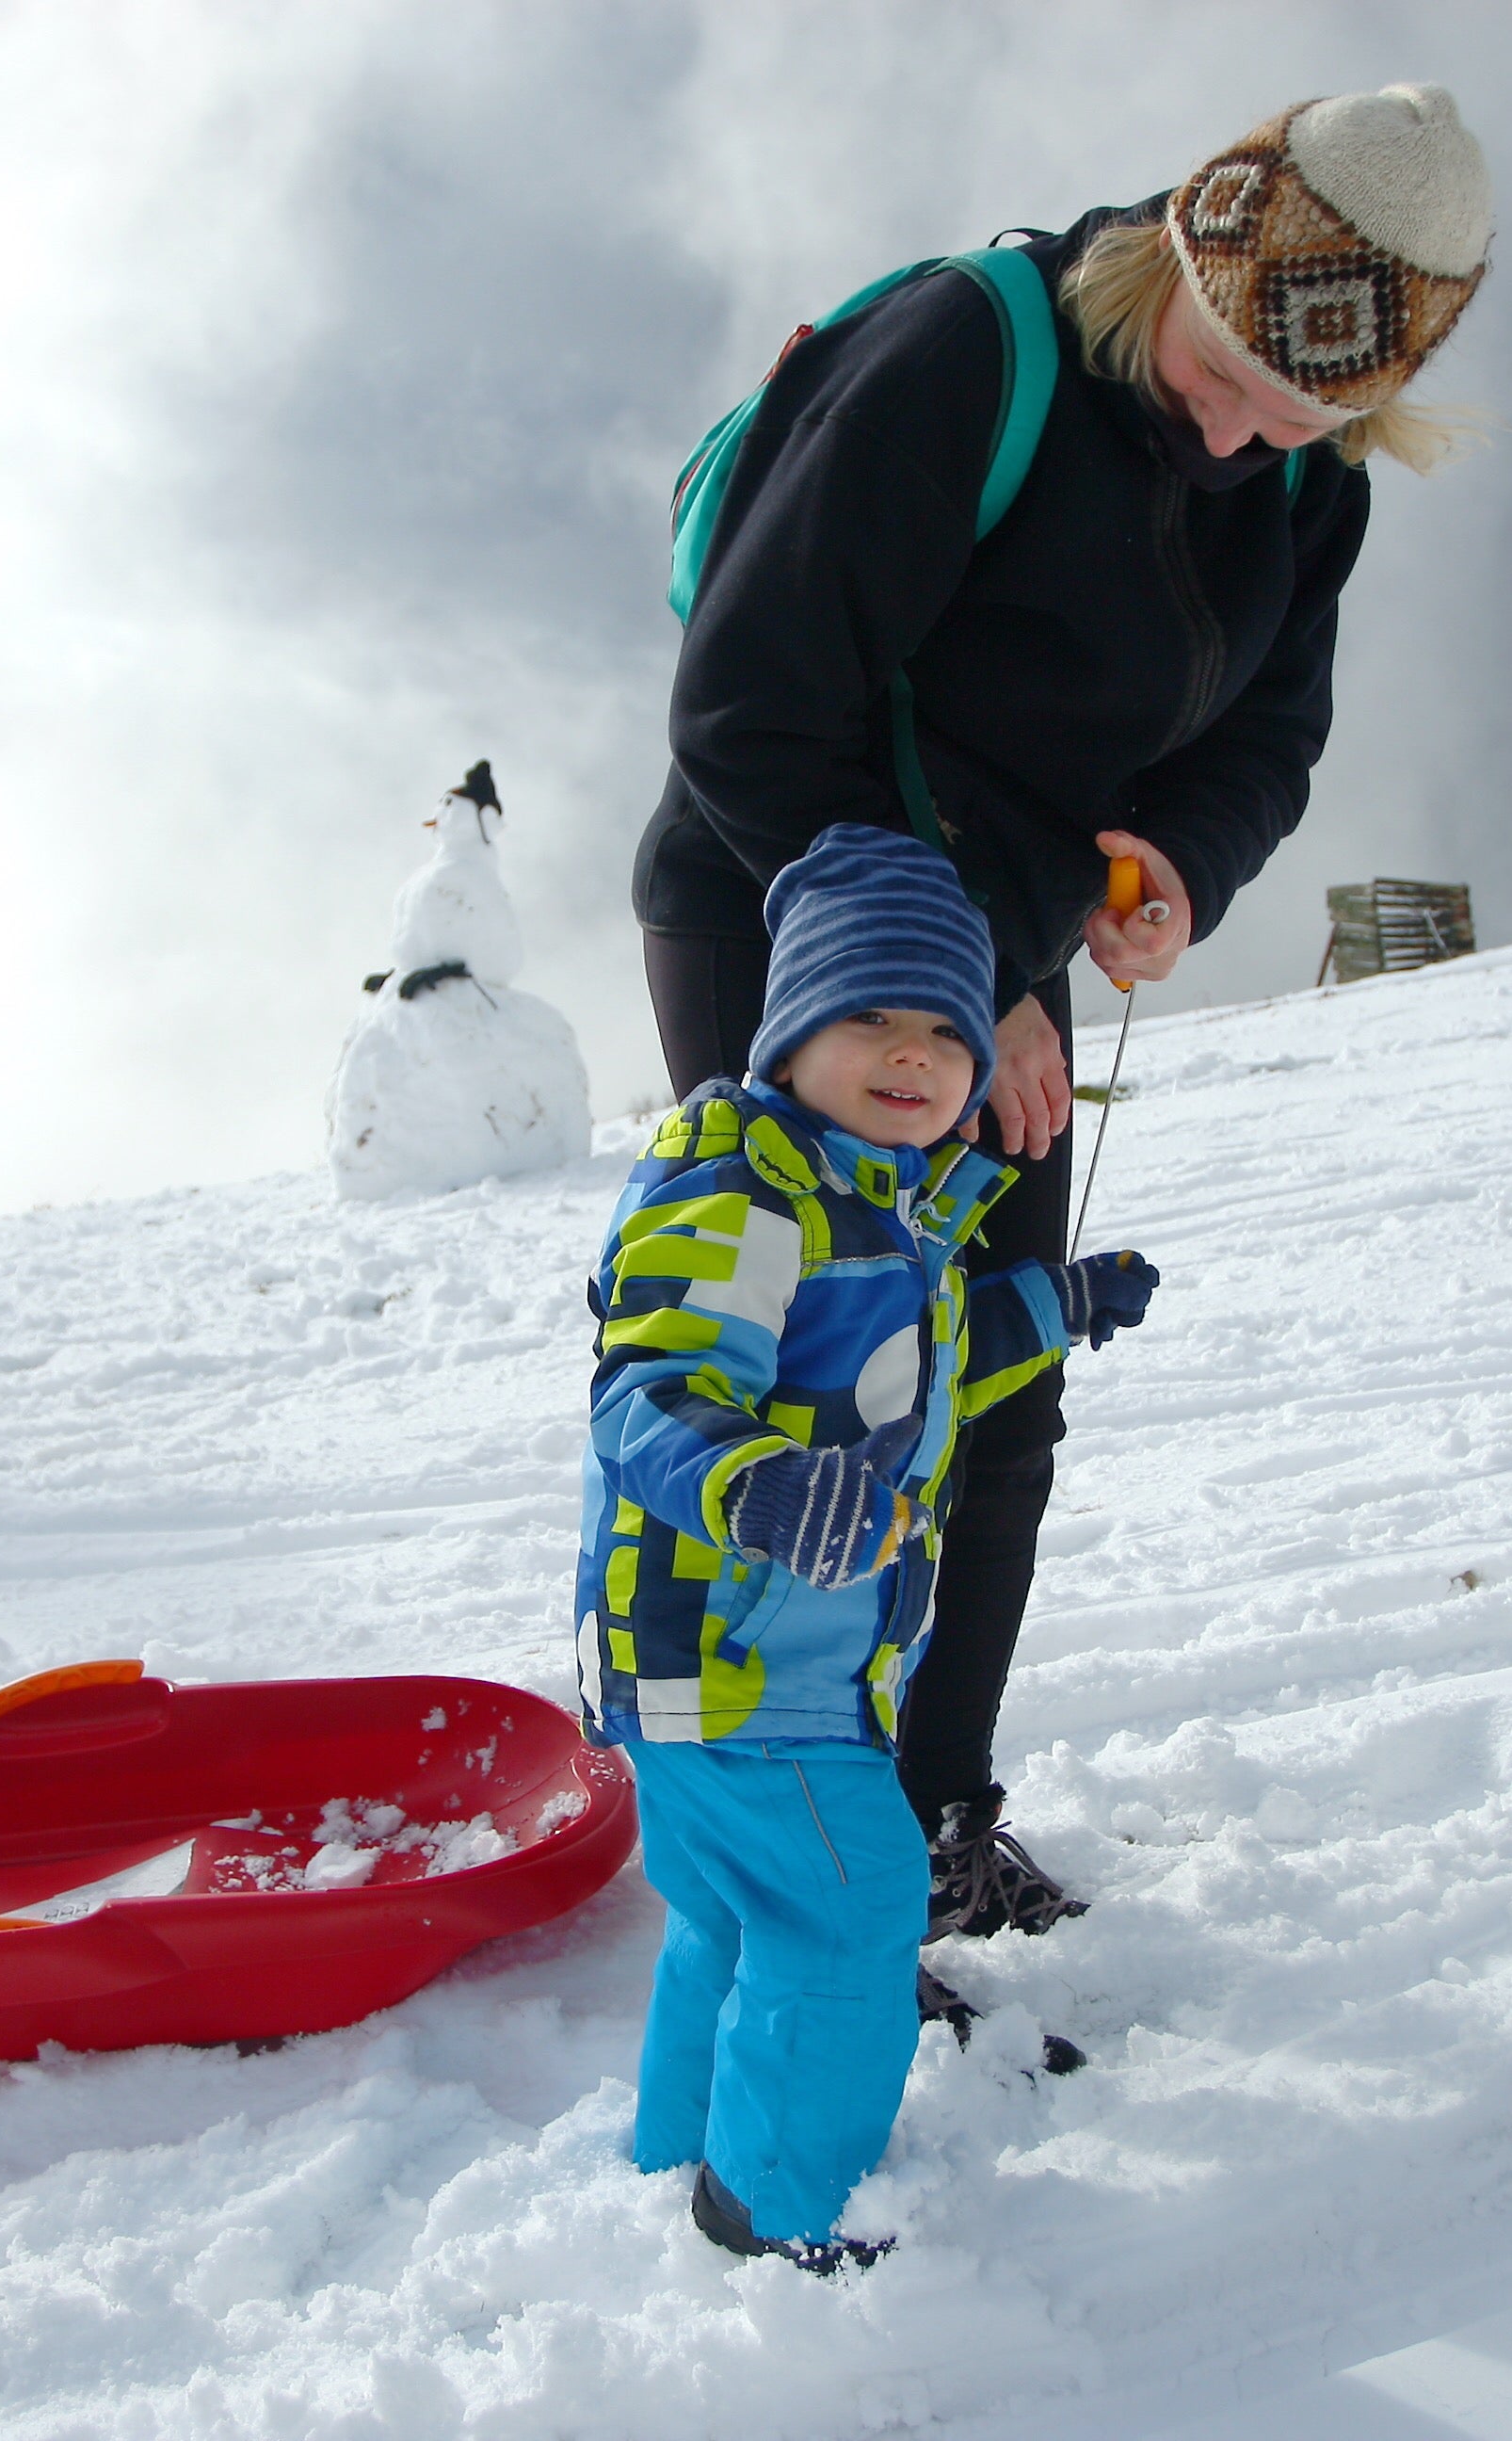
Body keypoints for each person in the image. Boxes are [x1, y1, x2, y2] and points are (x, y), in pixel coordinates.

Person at [632, 84, 1492, 1938]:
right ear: (1185, 248)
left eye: (1311, 409)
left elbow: (1274, 733)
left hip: (1000, 946)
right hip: (784, 912)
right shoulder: (969, 355)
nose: (1250, 429)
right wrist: (962, 992)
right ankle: (782, 1867)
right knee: (798, 1394)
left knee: (988, 1400)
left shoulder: (1303, 478)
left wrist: (1174, 859)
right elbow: (748, 713)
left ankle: (932, 1823)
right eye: (1234, 370)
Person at [577, 826, 1160, 2270]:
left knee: (732, 1916)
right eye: (869, 1016)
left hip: (717, 1668)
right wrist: (754, 1485)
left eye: (944, 1030)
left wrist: (1058, 1302)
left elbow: (931, 1369)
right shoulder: (750, 1198)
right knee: (851, 1907)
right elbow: (648, 1392)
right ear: (790, 1037)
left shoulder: (876, 1206)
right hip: (748, 1655)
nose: (911, 1054)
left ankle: (682, 2158)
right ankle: (781, 2222)